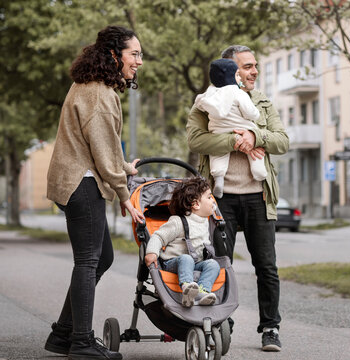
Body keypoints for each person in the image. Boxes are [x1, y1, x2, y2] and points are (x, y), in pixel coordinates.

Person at [44, 25, 145, 360]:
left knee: (102, 257)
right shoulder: (101, 95)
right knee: (88, 260)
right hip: (81, 181)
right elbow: (102, 152)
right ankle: (82, 342)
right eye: (134, 54)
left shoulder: (90, 86)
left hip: (80, 177)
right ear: (114, 55)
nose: (139, 62)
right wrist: (124, 194)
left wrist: (124, 169)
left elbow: (103, 146)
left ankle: (63, 334)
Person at [186, 45, 289, 352]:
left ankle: (270, 327)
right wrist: (234, 139)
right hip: (220, 199)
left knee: (267, 267)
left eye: (255, 65)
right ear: (230, 70)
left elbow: (282, 140)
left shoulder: (261, 101)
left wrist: (255, 136)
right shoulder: (206, 101)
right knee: (218, 263)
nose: (254, 71)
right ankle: (221, 321)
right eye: (247, 66)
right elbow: (195, 139)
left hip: (259, 196)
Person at [194, 58, 266, 198]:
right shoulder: (238, 92)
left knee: (218, 153)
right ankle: (259, 173)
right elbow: (250, 112)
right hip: (242, 129)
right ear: (232, 75)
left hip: (218, 130)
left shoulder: (210, 93)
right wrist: (256, 115)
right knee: (254, 152)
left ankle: (219, 178)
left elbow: (199, 103)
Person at [144, 177, 220, 307]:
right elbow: (158, 237)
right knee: (186, 258)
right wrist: (152, 252)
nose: (213, 200)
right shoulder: (178, 222)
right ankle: (187, 287)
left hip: (195, 263)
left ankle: (202, 291)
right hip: (173, 263)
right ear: (196, 204)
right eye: (209, 197)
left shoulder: (205, 222)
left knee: (213, 264)